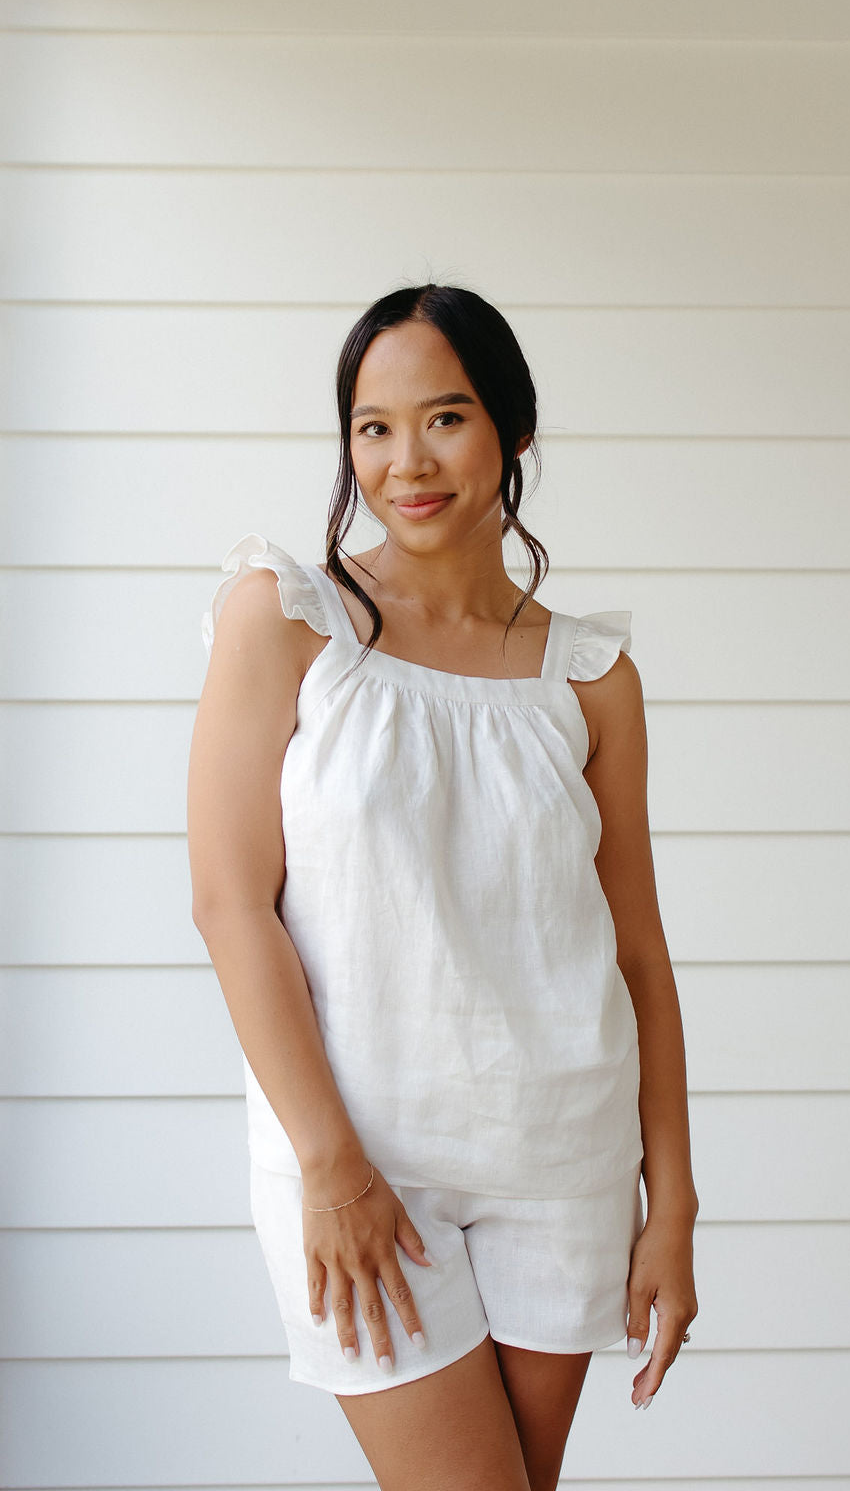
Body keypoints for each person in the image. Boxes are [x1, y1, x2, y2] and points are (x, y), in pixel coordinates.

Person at [187, 284, 698, 1491]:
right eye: (372, 427)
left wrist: (669, 1204)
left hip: (560, 1157)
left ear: (513, 431)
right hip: (361, 1163)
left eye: (445, 418)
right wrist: (331, 1167)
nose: (404, 462)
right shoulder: (290, 619)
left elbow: (636, 956)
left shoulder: (589, 676)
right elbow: (228, 903)